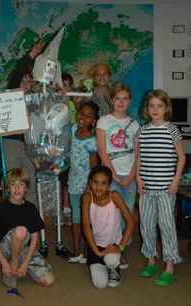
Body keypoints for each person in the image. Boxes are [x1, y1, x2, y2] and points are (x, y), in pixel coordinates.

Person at [135, 89, 186, 287]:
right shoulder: (142, 131)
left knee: (166, 226)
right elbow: (139, 157)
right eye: (152, 105)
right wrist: (138, 178)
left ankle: (170, 267)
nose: (155, 109)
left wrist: (175, 180)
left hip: (166, 189)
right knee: (146, 225)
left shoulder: (171, 129)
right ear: (147, 109)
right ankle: (151, 261)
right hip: (147, 188)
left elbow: (181, 157)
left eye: (160, 105)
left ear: (166, 108)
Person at [0, 168, 55, 288]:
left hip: (22, 249)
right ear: (8, 188)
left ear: (26, 188)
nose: (17, 188)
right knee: (21, 231)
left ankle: (17, 263)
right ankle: (13, 263)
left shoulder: (31, 208)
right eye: (13, 184)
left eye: (21, 184)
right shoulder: (0, 209)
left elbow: (35, 237)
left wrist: (26, 263)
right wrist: (4, 263)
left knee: (49, 281)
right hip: (5, 249)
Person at [96, 83, 139, 268]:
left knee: (125, 214)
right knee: (110, 215)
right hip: (110, 176)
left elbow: (138, 153)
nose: (121, 102)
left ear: (129, 101)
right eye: (117, 98)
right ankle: (106, 248)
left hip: (129, 177)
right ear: (111, 100)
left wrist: (131, 175)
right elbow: (102, 151)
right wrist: (112, 174)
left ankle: (120, 250)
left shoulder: (135, 124)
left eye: (125, 98)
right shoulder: (104, 121)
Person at [3, 40, 44, 204]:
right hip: (12, 142)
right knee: (13, 180)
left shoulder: (36, 100)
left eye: (29, 81)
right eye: (23, 80)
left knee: (30, 180)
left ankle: (30, 217)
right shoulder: (11, 96)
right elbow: (17, 73)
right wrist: (32, 55)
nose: (26, 84)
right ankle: (11, 218)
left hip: (31, 144)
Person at [82, 165, 134, 288]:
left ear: (109, 185)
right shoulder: (86, 198)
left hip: (113, 246)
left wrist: (120, 247)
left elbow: (131, 222)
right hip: (96, 246)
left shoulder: (114, 196)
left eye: (103, 183)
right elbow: (85, 226)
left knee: (111, 262)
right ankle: (103, 262)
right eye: (95, 182)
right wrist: (95, 250)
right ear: (90, 182)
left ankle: (114, 267)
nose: (99, 187)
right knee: (100, 284)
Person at [67, 101, 99, 263]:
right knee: (76, 219)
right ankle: (77, 251)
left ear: (93, 121)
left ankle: (88, 253)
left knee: (88, 221)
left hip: (87, 187)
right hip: (73, 184)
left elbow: (94, 168)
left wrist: (89, 187)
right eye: (81, 113)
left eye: (88, 116)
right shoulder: (72, 130)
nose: (83, 118)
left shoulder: (92, 141)